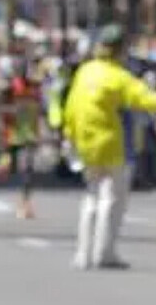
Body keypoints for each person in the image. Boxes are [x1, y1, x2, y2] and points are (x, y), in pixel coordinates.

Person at [64, 24, 156, 270]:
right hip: (113, 145)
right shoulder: (118, 76)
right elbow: (146, 99)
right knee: (112, 200)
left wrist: (70, 137)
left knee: (91, 198)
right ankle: (104, 253)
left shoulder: (85, 72)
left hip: (86, 144)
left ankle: (83, 254)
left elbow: (70, 108)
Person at [0, 56, 42, 219]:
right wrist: (13, 109)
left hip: (29, 134)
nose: (22, 71)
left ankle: (25, 203)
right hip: (12, 134)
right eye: (18, 68)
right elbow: (2, 108)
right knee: (8, 169)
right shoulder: (9, 87)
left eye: (24, 68)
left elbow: (39, 109)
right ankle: (6, 163)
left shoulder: (34, 87)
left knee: (28, 170)